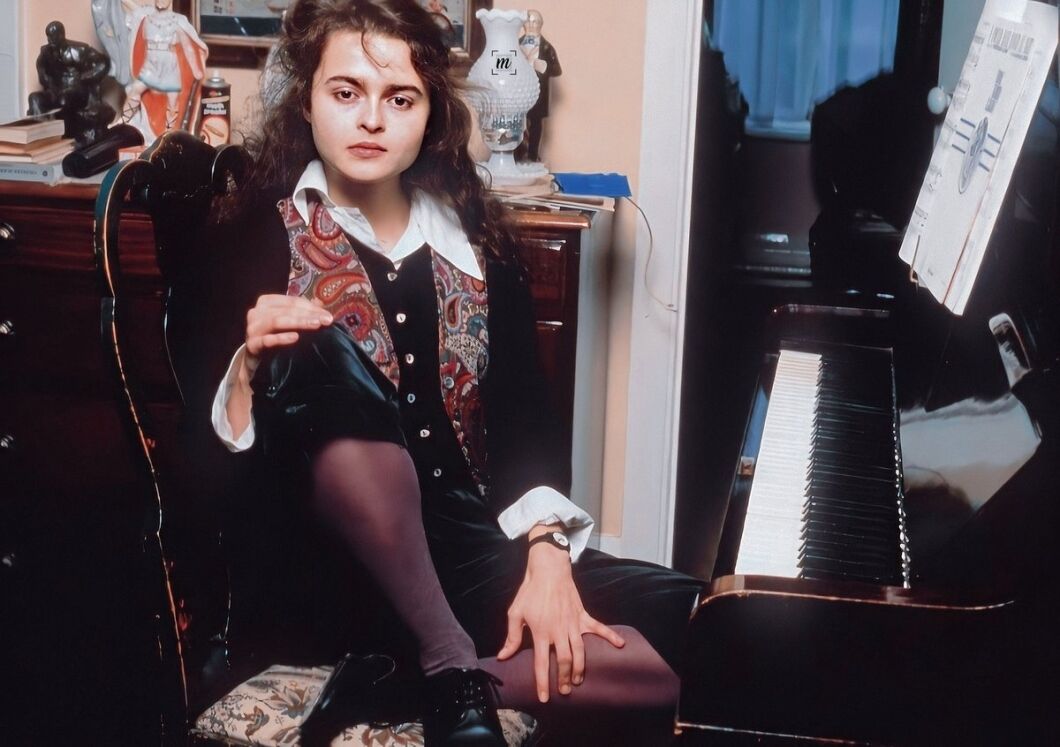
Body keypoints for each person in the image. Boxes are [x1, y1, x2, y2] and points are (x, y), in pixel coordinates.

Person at [208, 0, 702, 743]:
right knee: (310, 335)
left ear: (430, 114)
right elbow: (210, 471)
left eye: (399, 99)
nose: (371, 119)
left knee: (707, 630)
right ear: (306, 100)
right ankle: (442, 659)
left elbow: (528, 423)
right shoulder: (255, 236)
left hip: (473, 556)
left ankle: (410, 685)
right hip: (330, 578)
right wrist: (248, 367)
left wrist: (545, 557)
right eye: (346, 92)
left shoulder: (476, 246)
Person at [122, 0, 207, 140]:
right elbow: (132, 9)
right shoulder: (146, 16)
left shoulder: (178, 21)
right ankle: (124, 123)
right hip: (151, 64)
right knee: (135, 90)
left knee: (173, 102)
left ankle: (169, 134)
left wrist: (196, 69)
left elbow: (188, 47)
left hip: (169, 66)